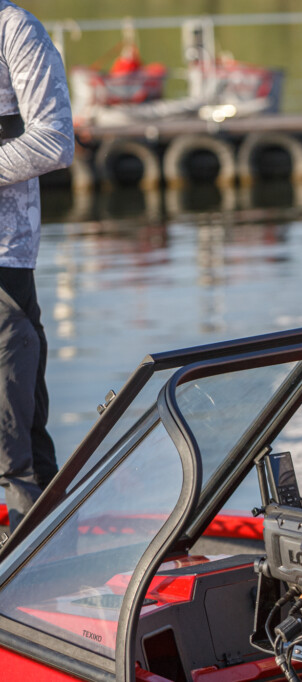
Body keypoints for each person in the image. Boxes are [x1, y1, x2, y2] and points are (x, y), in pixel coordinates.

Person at [0, 1, 74, 531]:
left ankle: (37, 563)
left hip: (3, 261)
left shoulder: (14, 29)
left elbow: (54, 140)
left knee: (15, 445)